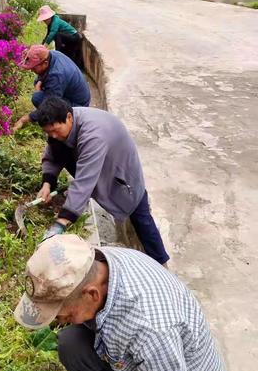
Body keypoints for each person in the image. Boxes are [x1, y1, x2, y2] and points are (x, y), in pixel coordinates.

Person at [14, 234, 230, 371]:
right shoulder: (95, 262)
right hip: (142, 366)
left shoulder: (151, 330)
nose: (59, 319)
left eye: (63, 313)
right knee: (72, 342)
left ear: (92, 295)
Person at [34, 96, 169, 265]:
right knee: (60, 149)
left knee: (140, 216)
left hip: (123, 173)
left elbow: (84, 181)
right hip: (102, 164)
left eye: (55, 130)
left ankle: (160, 262)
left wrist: (61, 223)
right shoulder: (63, 126)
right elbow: (53, 156)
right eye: (48, 132)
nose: (53, 135)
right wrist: (47, 183)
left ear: (69, 117)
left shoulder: (93, 135)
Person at [13, 45, 91, 132]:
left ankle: (60, 119)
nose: (32, 70)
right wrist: (39, 83)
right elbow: (40, 78)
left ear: (45, 63)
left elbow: (50, 106)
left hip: (78, 106)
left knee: (38, 98)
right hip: (72, 95)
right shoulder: (52, 55)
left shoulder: (57, 75)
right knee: (39, 90)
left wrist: (25, 119)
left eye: (34, 67)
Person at [38, 5, 84, 69]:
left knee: (57, 35)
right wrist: (42, 45)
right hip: (67, 39)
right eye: (44, 20)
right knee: (68, 56)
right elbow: (48, 35)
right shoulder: (50, 24)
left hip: (74, 37)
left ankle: (58, 54)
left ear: (50, 17)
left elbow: (52, 33)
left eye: (46, 19)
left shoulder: (55, 21)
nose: (45, 21)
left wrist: (45, 45)